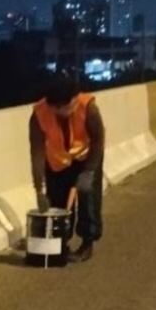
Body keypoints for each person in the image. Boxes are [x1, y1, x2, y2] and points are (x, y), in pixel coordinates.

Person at [29, 70, 105, 262]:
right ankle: (61, 242)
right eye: (62, 108)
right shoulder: (39, 115)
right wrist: (39, 189)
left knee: (88, 199)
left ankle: (87, 242)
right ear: (52, 106)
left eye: (71, 104)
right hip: (57, 162)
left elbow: (98, 140)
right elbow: (37, 153)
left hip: (87, 157)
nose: (68, 110)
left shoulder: (88, 107)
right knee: (57, 204)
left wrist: (89, 172)